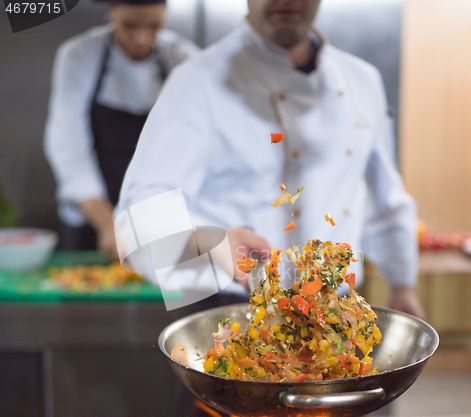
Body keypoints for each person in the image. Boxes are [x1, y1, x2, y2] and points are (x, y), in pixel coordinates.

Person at [116, 0, 425, 320]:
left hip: (336, 306)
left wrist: (402, 285)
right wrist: (210, 242)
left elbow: (384, 196)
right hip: (232, 310)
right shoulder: (196, 81)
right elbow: (139, 214)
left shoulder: (361, 80)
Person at [44, 0, 200, 260]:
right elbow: (69, 150)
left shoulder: (185, 61)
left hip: (161, 216)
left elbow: (192, 150)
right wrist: (108, 226)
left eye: (154, 25)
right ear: (110, 13)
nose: (141, 38)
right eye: (129, 25)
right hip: (92, 215)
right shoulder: (79, 55)